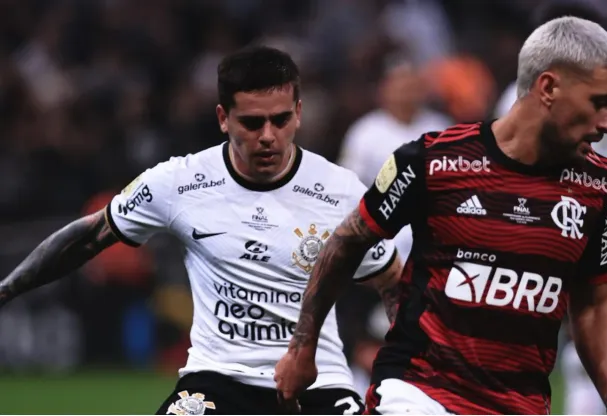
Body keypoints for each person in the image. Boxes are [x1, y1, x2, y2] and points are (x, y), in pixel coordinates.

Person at [0, 46, 403, 415]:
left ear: (298, 112)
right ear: (222, 118)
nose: (268, 136)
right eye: (251, 122)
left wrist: (399, 374)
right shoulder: (180, 182)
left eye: (281, 120)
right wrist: (8, 289)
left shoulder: (341, 190)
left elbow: (392, 281)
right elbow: (90, 236)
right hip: (218, 378)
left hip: (317, 380)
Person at [275, 16, 607, 415]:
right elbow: (348, 241)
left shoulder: (596, 184)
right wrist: (302, 348)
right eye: (599, 102)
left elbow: (595, 304)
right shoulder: (433, 161)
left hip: (520, 404)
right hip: (419, 392)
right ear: (548, 87)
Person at [495, 3, 607, 414]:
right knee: (574, 324)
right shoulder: (517, 96)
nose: (606, 122)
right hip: (555, 229)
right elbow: (501, 155)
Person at [338, 54, 451, 263]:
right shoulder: (364, 132)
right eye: (399, 87)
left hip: (432, 224)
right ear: (384, 91)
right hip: (382, 223)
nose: (406, 94)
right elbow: (347, 186)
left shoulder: (441, 127)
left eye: (411, 86)